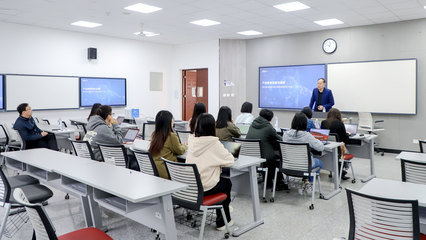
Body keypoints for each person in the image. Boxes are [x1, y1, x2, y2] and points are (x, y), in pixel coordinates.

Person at [186, 113, 234, 230]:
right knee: (226, 183)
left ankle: (224, 206)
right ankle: (222, 221)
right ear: (212, 127)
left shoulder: (191, 140)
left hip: (191, 187)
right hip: (205, 188)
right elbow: (230, 160)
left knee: (222, 183)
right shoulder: (214, 143)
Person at [283, 113, 324, 192]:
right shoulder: (307, 136)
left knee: (305, 162)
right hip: (303, 166)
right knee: (319, 162)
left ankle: (306, 181)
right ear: (305, 124)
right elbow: (320, 147)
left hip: (288, 165)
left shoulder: (285, 134)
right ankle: (309, 184)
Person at [246, 109, 286, 189]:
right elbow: (280, 140)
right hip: (264, 158)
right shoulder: (268, 127)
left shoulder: (252, 124)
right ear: (270, 119)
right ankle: (278, 182)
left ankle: (269, 181)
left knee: (270, 156)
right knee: (276, 159)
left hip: (250, 157)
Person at [149, 110, 187, 179]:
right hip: (169, 172)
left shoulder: (155, 135)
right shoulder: (171, 136)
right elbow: (179, 151)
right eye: (172, 119)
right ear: (168, 122)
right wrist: (185, 146)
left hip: (156, 171)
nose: (173, 121)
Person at [320, 108, 350, 180]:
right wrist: (348, 135)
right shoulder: (340, 123)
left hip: (327, 147)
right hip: (339, 149)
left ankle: (340, 169)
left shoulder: (323, 122)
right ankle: (342, 169)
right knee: (345, 151)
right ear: (338, 115)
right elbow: (345, 138)